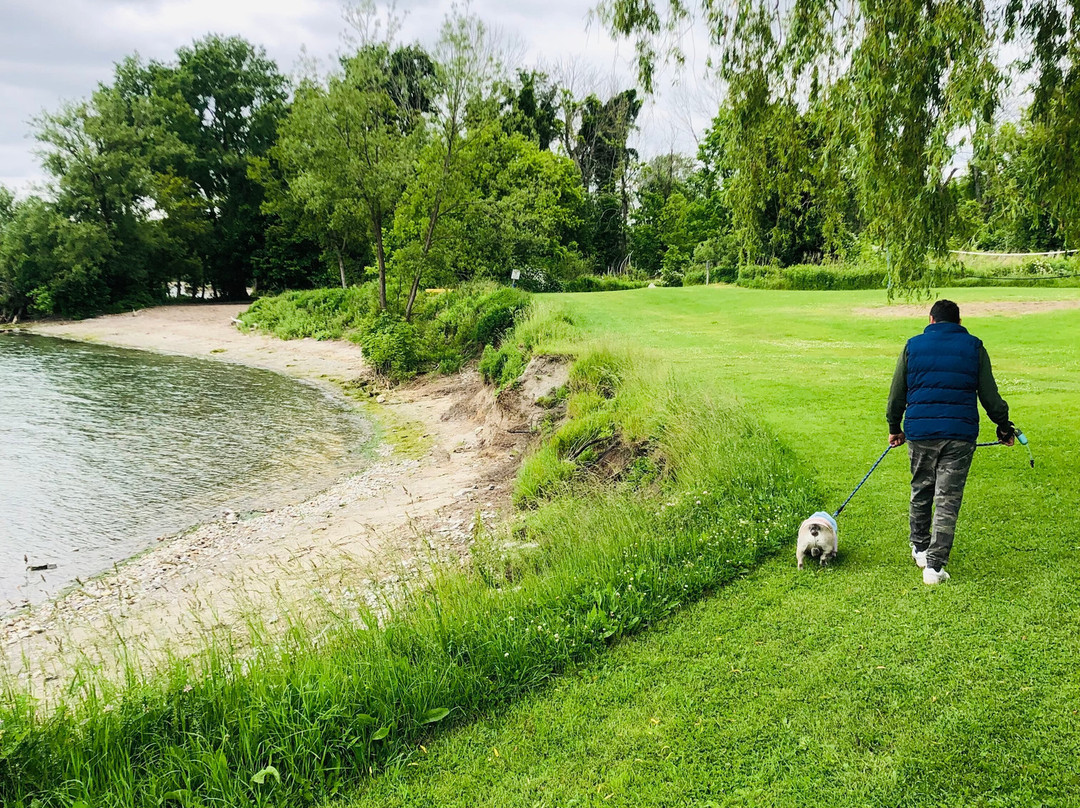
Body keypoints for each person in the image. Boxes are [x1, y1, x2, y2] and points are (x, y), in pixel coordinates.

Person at [886, 299, 1015, 585]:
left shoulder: (912, 345)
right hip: (959, 434)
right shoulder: (974, 346)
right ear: (959, 322)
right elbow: (990, 396)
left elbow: (897, 393)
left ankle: (920, 548)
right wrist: (1005, 427)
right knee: (948, 499)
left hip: (920, 432)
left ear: (931, 320)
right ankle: (934, 567)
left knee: (921, 489)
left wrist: (895, 426)